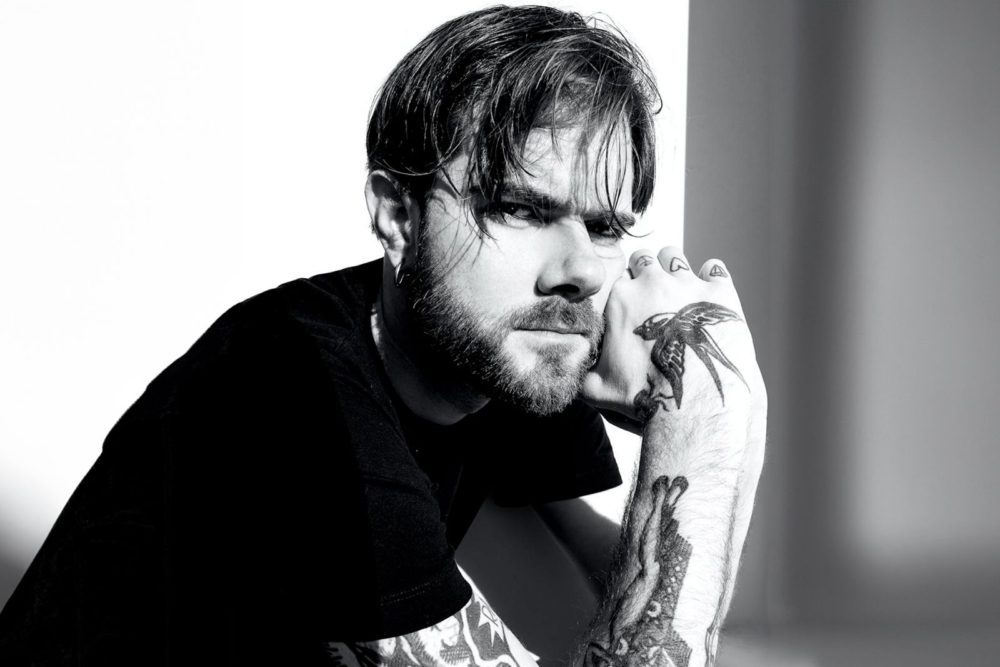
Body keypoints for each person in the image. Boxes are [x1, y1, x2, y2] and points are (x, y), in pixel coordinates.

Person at [0, 5, 766, 666]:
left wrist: (725, 405)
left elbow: (640, 584)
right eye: (520, 210)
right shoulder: (292, 394)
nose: (580, 271)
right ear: (397, 216)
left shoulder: (515, 343)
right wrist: (703, 421)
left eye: (603, 227)